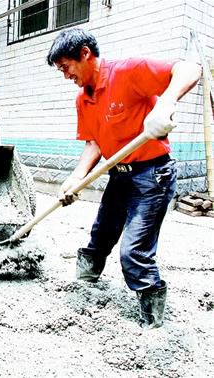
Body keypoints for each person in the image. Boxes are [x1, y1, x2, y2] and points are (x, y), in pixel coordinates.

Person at [46, 28, 201, 328]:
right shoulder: (83, 99)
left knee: (134, 252)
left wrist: (166, 102)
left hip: (153, 174)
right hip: (120, 174)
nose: (65, 76)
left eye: (66, 67)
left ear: (85, 55)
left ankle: (153, 320)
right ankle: (83, 287)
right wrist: (76, 179)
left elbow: (189, 69)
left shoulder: (129, 72)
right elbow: (93, 142)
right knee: (100, 235)